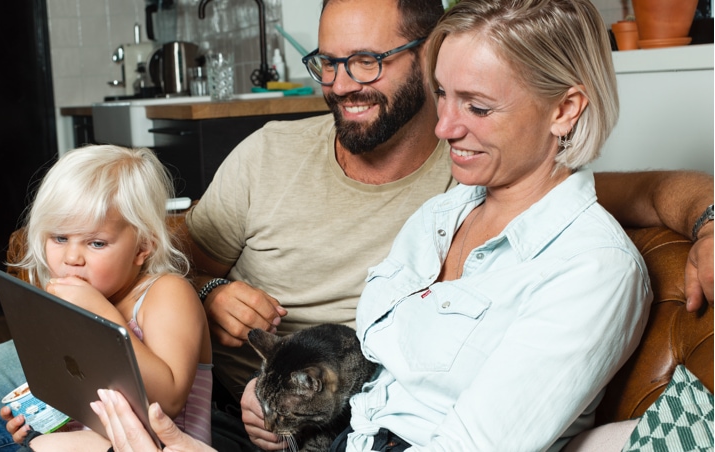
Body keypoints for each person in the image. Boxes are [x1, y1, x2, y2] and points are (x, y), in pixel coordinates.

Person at [0, 0, 714, 450]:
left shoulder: (477, 177)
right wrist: (208, 290)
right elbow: (176, 251)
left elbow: (632, 192)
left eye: (366, 60)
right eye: (327, 62)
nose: (341, 82)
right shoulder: (406, 195)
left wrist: (709, 216)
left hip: (261, 414)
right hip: (203, 374)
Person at [85, 0, 654, 450]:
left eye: (477, 107)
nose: (445, 127)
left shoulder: (592, 269)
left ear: (565, 109)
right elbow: (374, 389)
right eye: (441, 95)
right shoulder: (441, 216)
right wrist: (277, 403)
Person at [0, 145, 213, 451]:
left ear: (142, 247)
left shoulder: (166, 294)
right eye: (59, 238)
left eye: (96, 243)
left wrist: (102, 314)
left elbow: (168, 401)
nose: (72, 258)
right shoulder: (73, 302)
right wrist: (43, 417)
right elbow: (84, 398)